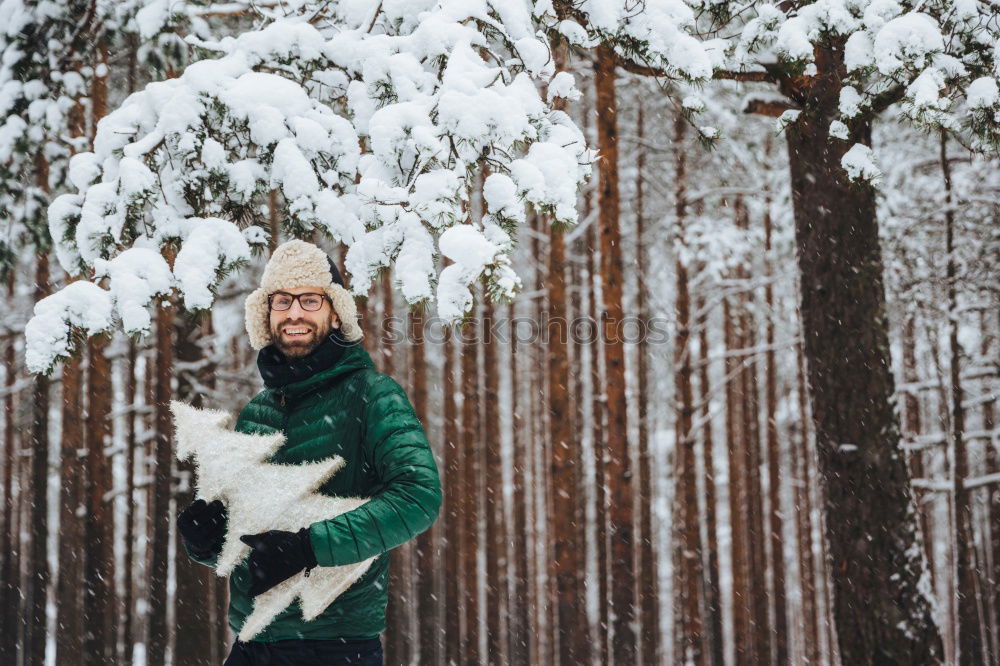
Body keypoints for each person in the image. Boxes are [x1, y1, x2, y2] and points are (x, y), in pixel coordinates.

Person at [177, 239, 442, 665]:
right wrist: (208, 541)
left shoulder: (373, 396)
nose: (295, 312)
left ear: (335, 312)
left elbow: (418, 496)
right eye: (282, 300)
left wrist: (310, 547)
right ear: (266, 314)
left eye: (310, 299)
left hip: (336, 644)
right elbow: (252, 538)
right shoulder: (257, 412)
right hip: (253, 640)